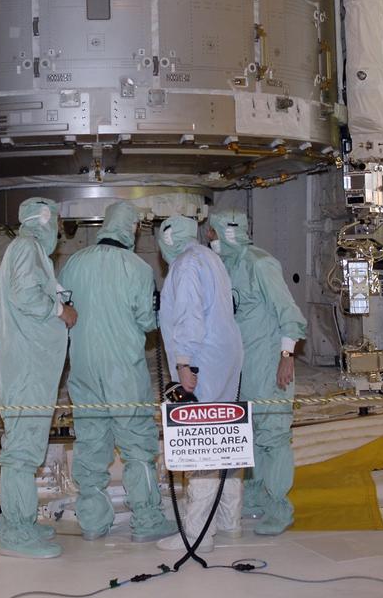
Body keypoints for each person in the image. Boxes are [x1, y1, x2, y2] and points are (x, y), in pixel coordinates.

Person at [58, 202, 174, 543]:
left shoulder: (74, 263)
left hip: (82, 368)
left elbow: (63, 310)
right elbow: (147, 322)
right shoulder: (136, 268)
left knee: (91, 441)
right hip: (123, 370)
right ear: (133, 229)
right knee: (137, 445)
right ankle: (147, 521)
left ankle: (93, 522)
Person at [207, 210, 306, 536]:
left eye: (217, 233)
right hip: (242, 369)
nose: (214, 238)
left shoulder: (262, 264)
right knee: (248, 436)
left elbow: (288, 312)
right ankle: (254, 496)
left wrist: (286, 355)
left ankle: (278, 507)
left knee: (273, 437)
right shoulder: (227, 264)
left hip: (268, 366)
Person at [153, 215, 244, 552]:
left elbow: (190, 315)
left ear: (168, 238)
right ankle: (228, 521)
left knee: (201, 444)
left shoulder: (186, 264)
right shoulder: (209, 257)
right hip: (224, 356)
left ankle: (198, 534)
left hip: (203, 360)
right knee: (223, 438)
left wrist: (183, 362)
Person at [0, 197, 78, 558]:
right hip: (26, 369)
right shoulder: (26, 247)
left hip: (31, 367)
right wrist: (61, 310)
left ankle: (23, 522)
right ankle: (15, 530)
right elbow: (26, 294)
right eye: (56, 222)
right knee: (21, 451)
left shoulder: (27, 250)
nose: (58, 231)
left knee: (26, 447)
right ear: (44, 219)